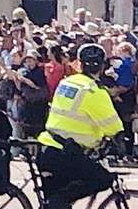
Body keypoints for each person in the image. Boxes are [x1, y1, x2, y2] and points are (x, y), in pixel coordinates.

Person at [37, 43, 124, 209]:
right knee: (102, 179)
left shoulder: (67, 83)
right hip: (65, 154)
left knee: (57, 199)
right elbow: (113, 127)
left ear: (79, 64)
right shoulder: (94, 92)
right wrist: (118, 141)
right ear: (102, 66)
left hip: (48, 147)